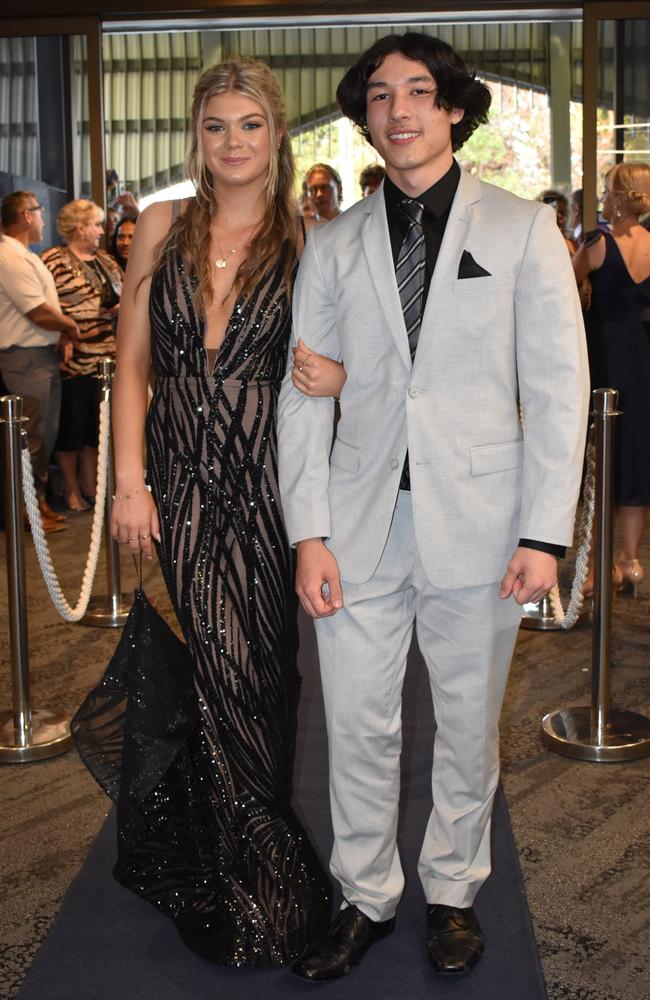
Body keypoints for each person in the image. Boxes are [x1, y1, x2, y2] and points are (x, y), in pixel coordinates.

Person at [277, 32, 589, 981]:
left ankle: (451, 888)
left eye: (418, 92)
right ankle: (364, 894)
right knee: (358, 726)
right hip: (359, 524)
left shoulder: (522, 229)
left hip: (486, 525)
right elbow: (303, 392)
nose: (399, 110)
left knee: (465, 721)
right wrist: (308, 535)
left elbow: (560, 385)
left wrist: (544, 531)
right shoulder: (330, 244)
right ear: (365, 117)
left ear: (454, 108)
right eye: (379, 96)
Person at [104, 57, 342, 966]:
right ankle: (245, 864)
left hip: (266, 484)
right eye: (216, 125)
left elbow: (357, 369)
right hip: (181, 480)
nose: (233, 141)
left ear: (276, 135)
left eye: (249, 124)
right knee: (218, 657)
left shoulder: (310, 240)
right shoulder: (161, 224)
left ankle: (253, 860)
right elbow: (131, 365)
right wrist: (130, 480)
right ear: (197, 136)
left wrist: (339, 376)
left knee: (261, 672)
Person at [572, 162, 650, 596]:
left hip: (603, 357)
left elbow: (564, 286)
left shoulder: (598, 243)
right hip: (642, 358)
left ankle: (596, 568)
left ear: (620, 197)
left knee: (602, 463)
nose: (602, 197)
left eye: (606, 190)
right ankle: (630, 562)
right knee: (635, 459)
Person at [0, 191, 78, 533]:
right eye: (40, 211)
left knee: (43, 434)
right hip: (24, 357)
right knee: (31, 437)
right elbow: (37, 311)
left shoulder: (24, 255)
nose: (44, 218)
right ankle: (25, 511)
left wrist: (60, 331)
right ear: (26, 215)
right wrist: (70, 326)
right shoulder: (8, 256)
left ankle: (37, 502)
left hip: (39, 355)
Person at [41, 200, 122, 510]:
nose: (102, 231)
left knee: (95, 428)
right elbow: (43, 305)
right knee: (71, 429)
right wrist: (61, 332)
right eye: (96, 224)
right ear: (79, 227)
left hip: (106, 357)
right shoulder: (52, 260)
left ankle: (92, 486)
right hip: (73, 358)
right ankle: (71, 489)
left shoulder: (106, 260)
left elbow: (124, 294)